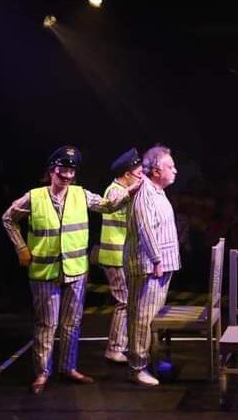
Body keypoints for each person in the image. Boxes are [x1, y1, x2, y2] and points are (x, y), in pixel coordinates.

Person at [2, 146, 141, 395]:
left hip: (76, 270)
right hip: (45, 272)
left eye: (71, 171)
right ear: (52, 170)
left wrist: (129, 192)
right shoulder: (34, 197)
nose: (66, 175)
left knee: (72, 323)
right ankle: (43, 372)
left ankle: (68, 367)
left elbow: (107, 206)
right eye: (62, 170)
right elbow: (8, 218)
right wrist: (21, 246)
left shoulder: (81, 195)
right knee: (47, 323)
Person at [124, 145, 180, 387]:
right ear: (156, 171)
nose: (175, 170)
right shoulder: (143, 192)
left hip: (161, 266)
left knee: (151, 318)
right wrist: (157, 259)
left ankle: (149, 361)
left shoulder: (158, 191)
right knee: (142, 317)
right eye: (170, 166)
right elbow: (145, 228)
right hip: (148, 266)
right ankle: (137, 367)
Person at [97, 148, 143, 363]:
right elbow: (115, 203)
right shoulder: (114, 191)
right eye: (138, 174)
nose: (141, 177)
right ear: (127, 174)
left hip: (122, 255)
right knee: (123, 301)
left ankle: (122, 345)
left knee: (127, 301)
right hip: (114, 256)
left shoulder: (123, 190)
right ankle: (114, 348)